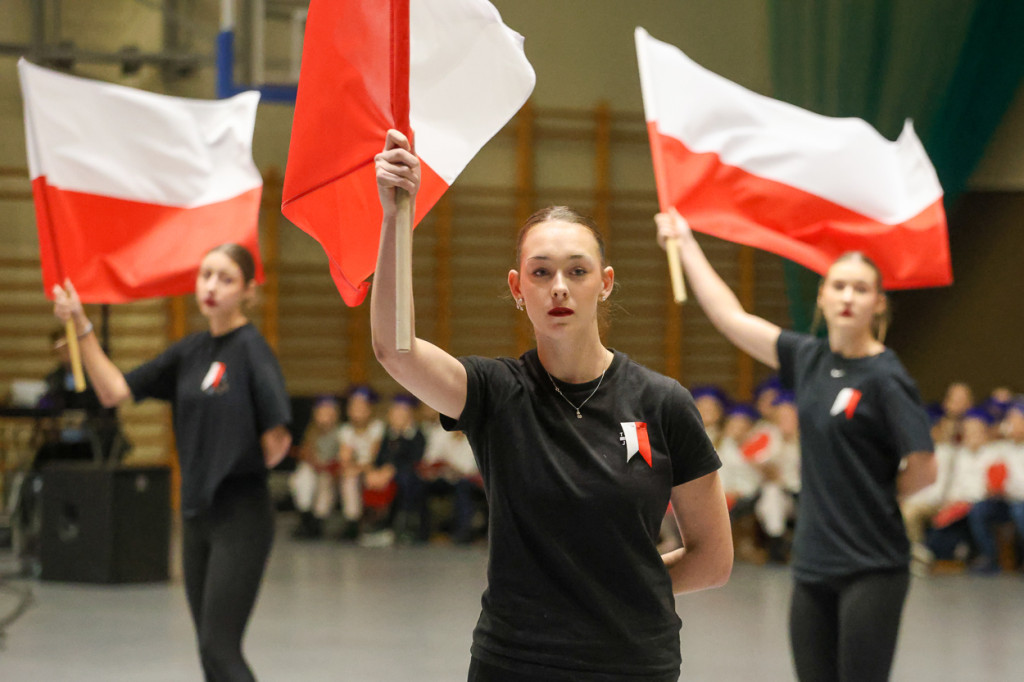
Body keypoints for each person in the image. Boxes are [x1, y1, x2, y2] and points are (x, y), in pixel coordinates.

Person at [372, 130, 732, 681]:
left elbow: (712, 558)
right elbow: (395, 351)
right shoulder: (495, 393)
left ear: (605, 283)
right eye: (541, 273)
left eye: (577, 271)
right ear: (518, 288)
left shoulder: (663, 403)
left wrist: (621, 583)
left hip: (633, 664)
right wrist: (397, 214)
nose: (558, 287)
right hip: (514, 663)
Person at [656, 209, 935, 682]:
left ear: (879, 304)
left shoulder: (888, 378)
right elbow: (730, 318)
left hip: (873, 565)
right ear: (823, 296)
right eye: (839, 286)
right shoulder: (809, 358)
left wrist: (873, 500)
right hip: (812, 562)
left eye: (861, 289)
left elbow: (924, 468)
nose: (848, 296)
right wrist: (684, 242)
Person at [52, 243, 292, 682]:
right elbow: (114, 392)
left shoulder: (252, 350)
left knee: (221, 650)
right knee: (207, 652)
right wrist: (82, 325)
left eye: (225, 278)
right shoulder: (189, 352)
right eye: (206, 275)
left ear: (248, 291)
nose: (212, 287)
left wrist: (236, 468)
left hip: (241, 516)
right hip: (196, 515)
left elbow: (277, 436)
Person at [289, 395, 342, 539]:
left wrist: (327, 466)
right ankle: (305, 518)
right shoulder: (311, 432)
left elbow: (341, 458)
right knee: (303, 477)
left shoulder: (341, 433)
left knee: (325, 485)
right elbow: (305, 453)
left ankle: (318, 522)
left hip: (330, 471)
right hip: (313, 468)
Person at [337, 384, 385, 540]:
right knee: (348, 479)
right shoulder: (346, 430)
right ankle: (352, 521)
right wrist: (351, 467)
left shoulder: (378, 428)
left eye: (361, 407)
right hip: (357, 469)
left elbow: (375, 456)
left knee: (370, 479)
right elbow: (344, 457)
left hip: (375, 467)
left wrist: (359, 468)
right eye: (354, 407)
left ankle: (377, 522)